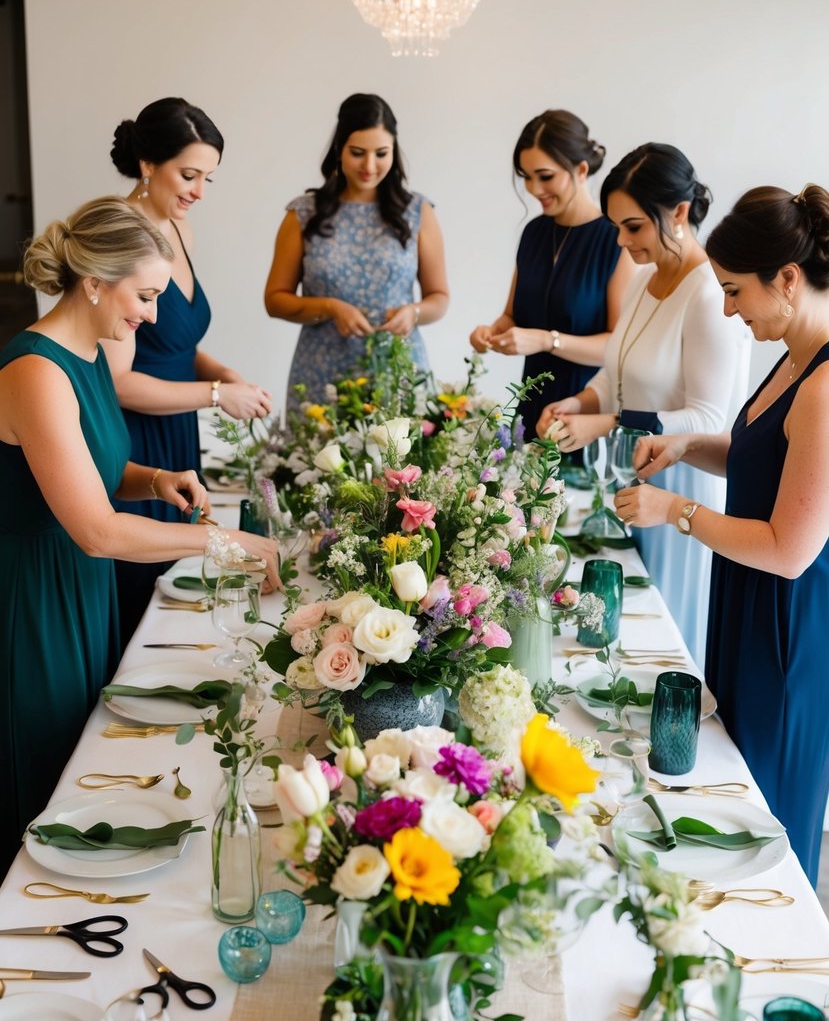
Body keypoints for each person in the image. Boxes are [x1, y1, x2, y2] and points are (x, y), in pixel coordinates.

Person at [0, 197, 279, 875]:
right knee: (49, 781)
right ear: (94, 281)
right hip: (39, 599)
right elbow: (94, 528)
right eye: (145, 295)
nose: (152, 316)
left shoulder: (88, 354)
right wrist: (225, 543)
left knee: (89, 762)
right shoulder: (35, 370)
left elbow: (91, 470)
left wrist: (153, 479)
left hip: (82, 587)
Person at [614, 184, 829, 886]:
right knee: (721, 805)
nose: (729, 311)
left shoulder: (825, 384)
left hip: (786, 631)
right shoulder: (792, 355)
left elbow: (788, 550)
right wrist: (686, 450)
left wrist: (675, 513)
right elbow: (761, 458)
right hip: (746, 605)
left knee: (761, 834)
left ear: (787, 280)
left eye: (736, 293)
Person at [536, 144, 749, 663]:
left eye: (633, 227)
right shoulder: (642, 280)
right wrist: (580, 403)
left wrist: (605, 423)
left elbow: (709, 418)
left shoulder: (707, 295)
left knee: (663, 638)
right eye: (617, 227)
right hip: (632, 482)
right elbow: (616, 373)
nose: (622, 241)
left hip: (685, 488)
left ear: (678, 213)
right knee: (619, 630)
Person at [106, 97, 273, 643]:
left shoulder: (180, 232)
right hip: (138, 435)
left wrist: (225, 374)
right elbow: (120, 381)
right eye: (189, 174)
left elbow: (176, 343)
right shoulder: (120, 234)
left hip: (177, 424)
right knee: (140, 588)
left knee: (180, 580)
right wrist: (217, 393)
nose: (198, 191)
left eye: (208, 178)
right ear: (148, 164)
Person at [264, 92, 449, 407]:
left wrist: (413, 312)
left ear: (394, 151)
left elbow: (439, 298)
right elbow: (275, 300)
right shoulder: (304, 213)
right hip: (321, 377)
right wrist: (331, 308)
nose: (369, 165)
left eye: (381, 153)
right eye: (358, 153)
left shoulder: (417, 211)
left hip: (398, 372)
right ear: (339, 149)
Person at [469, 110, 635, 438]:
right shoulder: (533, 233)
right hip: (530, 406)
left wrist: (546, 340)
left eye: (544, 176)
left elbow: (619, 345)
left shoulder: (615, 239)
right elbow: (512, 315)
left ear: (581, 169)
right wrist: (491, 332)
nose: (533, 188)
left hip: (583, 413)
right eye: (526, 176)